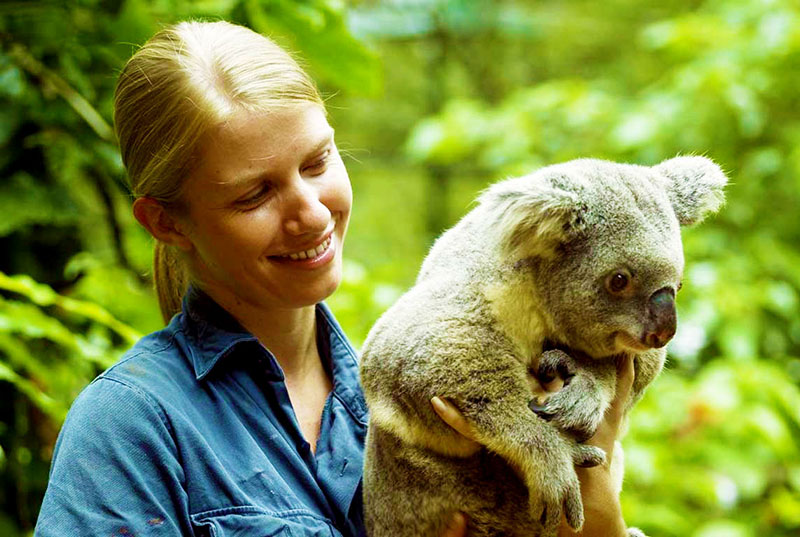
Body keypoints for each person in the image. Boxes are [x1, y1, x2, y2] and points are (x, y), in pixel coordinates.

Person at [34, 20, 634, 537]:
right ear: (166, 221)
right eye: (255, 194)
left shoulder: (428, 383)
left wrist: (599, 519)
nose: (312, 213)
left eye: (317, 162)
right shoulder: (130, 428)